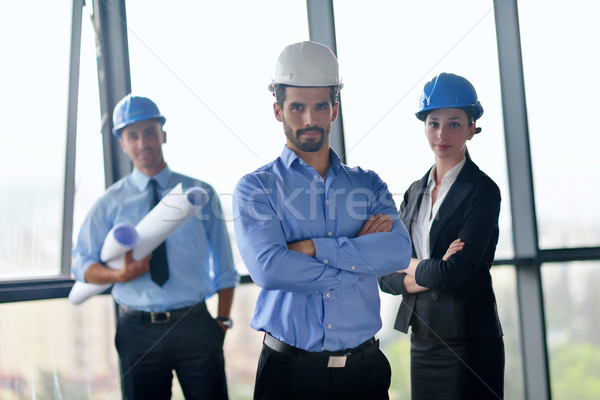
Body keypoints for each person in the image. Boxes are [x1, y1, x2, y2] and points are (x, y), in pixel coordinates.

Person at [232, 41, 412, 400]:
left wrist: (313, 248)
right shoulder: (256, 188)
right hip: (289, 375)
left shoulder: (368, 184)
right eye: (297, 107)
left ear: (334, 110)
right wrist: (359, 260)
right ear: (277, 110)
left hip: (364, 373)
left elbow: (397, 252)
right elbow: (270, 270)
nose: (310, 119)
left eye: (320, 107)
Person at [71, 94, 238, 400]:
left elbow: (225, 266)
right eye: (131, 135)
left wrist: (221, 322)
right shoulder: (109, 203)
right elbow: (81, 266)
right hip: (137, 331)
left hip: (195, 327)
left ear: (163, 134)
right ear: (122, 142)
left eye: (149, 132)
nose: (142, 142)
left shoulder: (199, 194)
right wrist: (118, 277)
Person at [378, 73, 504, 400]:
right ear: (424, 127)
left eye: (454, 124)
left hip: (469, 343)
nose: (442, 134)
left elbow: (454, 273)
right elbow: (384, 277)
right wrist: (428, 268)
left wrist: (404, 264)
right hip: (422, 338)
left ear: (472, 128)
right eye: (433, 123)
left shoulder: (483, 191)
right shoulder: (414, 192)